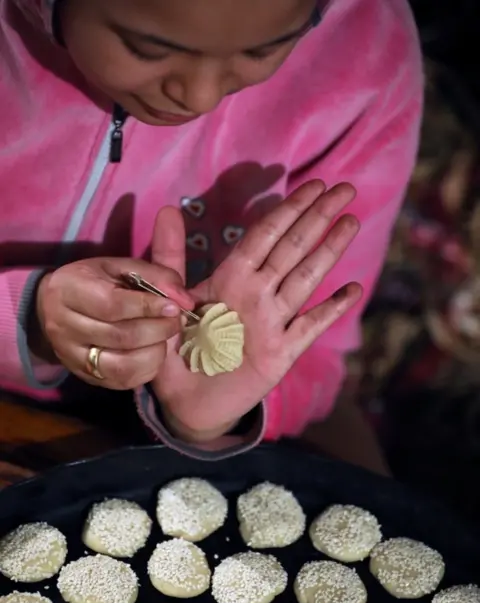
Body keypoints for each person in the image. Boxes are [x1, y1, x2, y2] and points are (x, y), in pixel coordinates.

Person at [0, 0, 422, 473]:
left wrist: (218, 415)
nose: (199, 97)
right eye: (146, 47)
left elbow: (318, 353)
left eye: (266, 49)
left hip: (191, 436)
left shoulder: (365, 51)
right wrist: (23, 317)